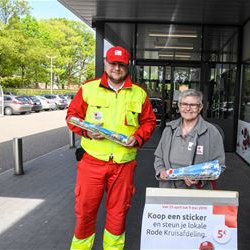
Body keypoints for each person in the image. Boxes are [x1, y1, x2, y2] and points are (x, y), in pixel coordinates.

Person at [66, 46, 156, 250]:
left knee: (118, 214)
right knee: (85, 210)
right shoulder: (88, 88)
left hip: (123, 164)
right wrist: (88, 132)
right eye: (112, 63)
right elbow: (72, 117)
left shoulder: (139, 94)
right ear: (105, 63)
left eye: (121, 64)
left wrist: (138, 137)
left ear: (127, 66)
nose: (116, 67)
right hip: (92, 161)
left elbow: (149, 122)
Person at [154, 89, 225, 189]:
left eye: (193, 105)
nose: (188, 108)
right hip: (168, 189)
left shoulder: (211, 132)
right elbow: (159, 157)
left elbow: (219, 165)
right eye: (184, 104)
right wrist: (160, 170)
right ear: (179, 106)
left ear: (200, 108)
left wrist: (200, 178)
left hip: (197, 194)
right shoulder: (169, 129)